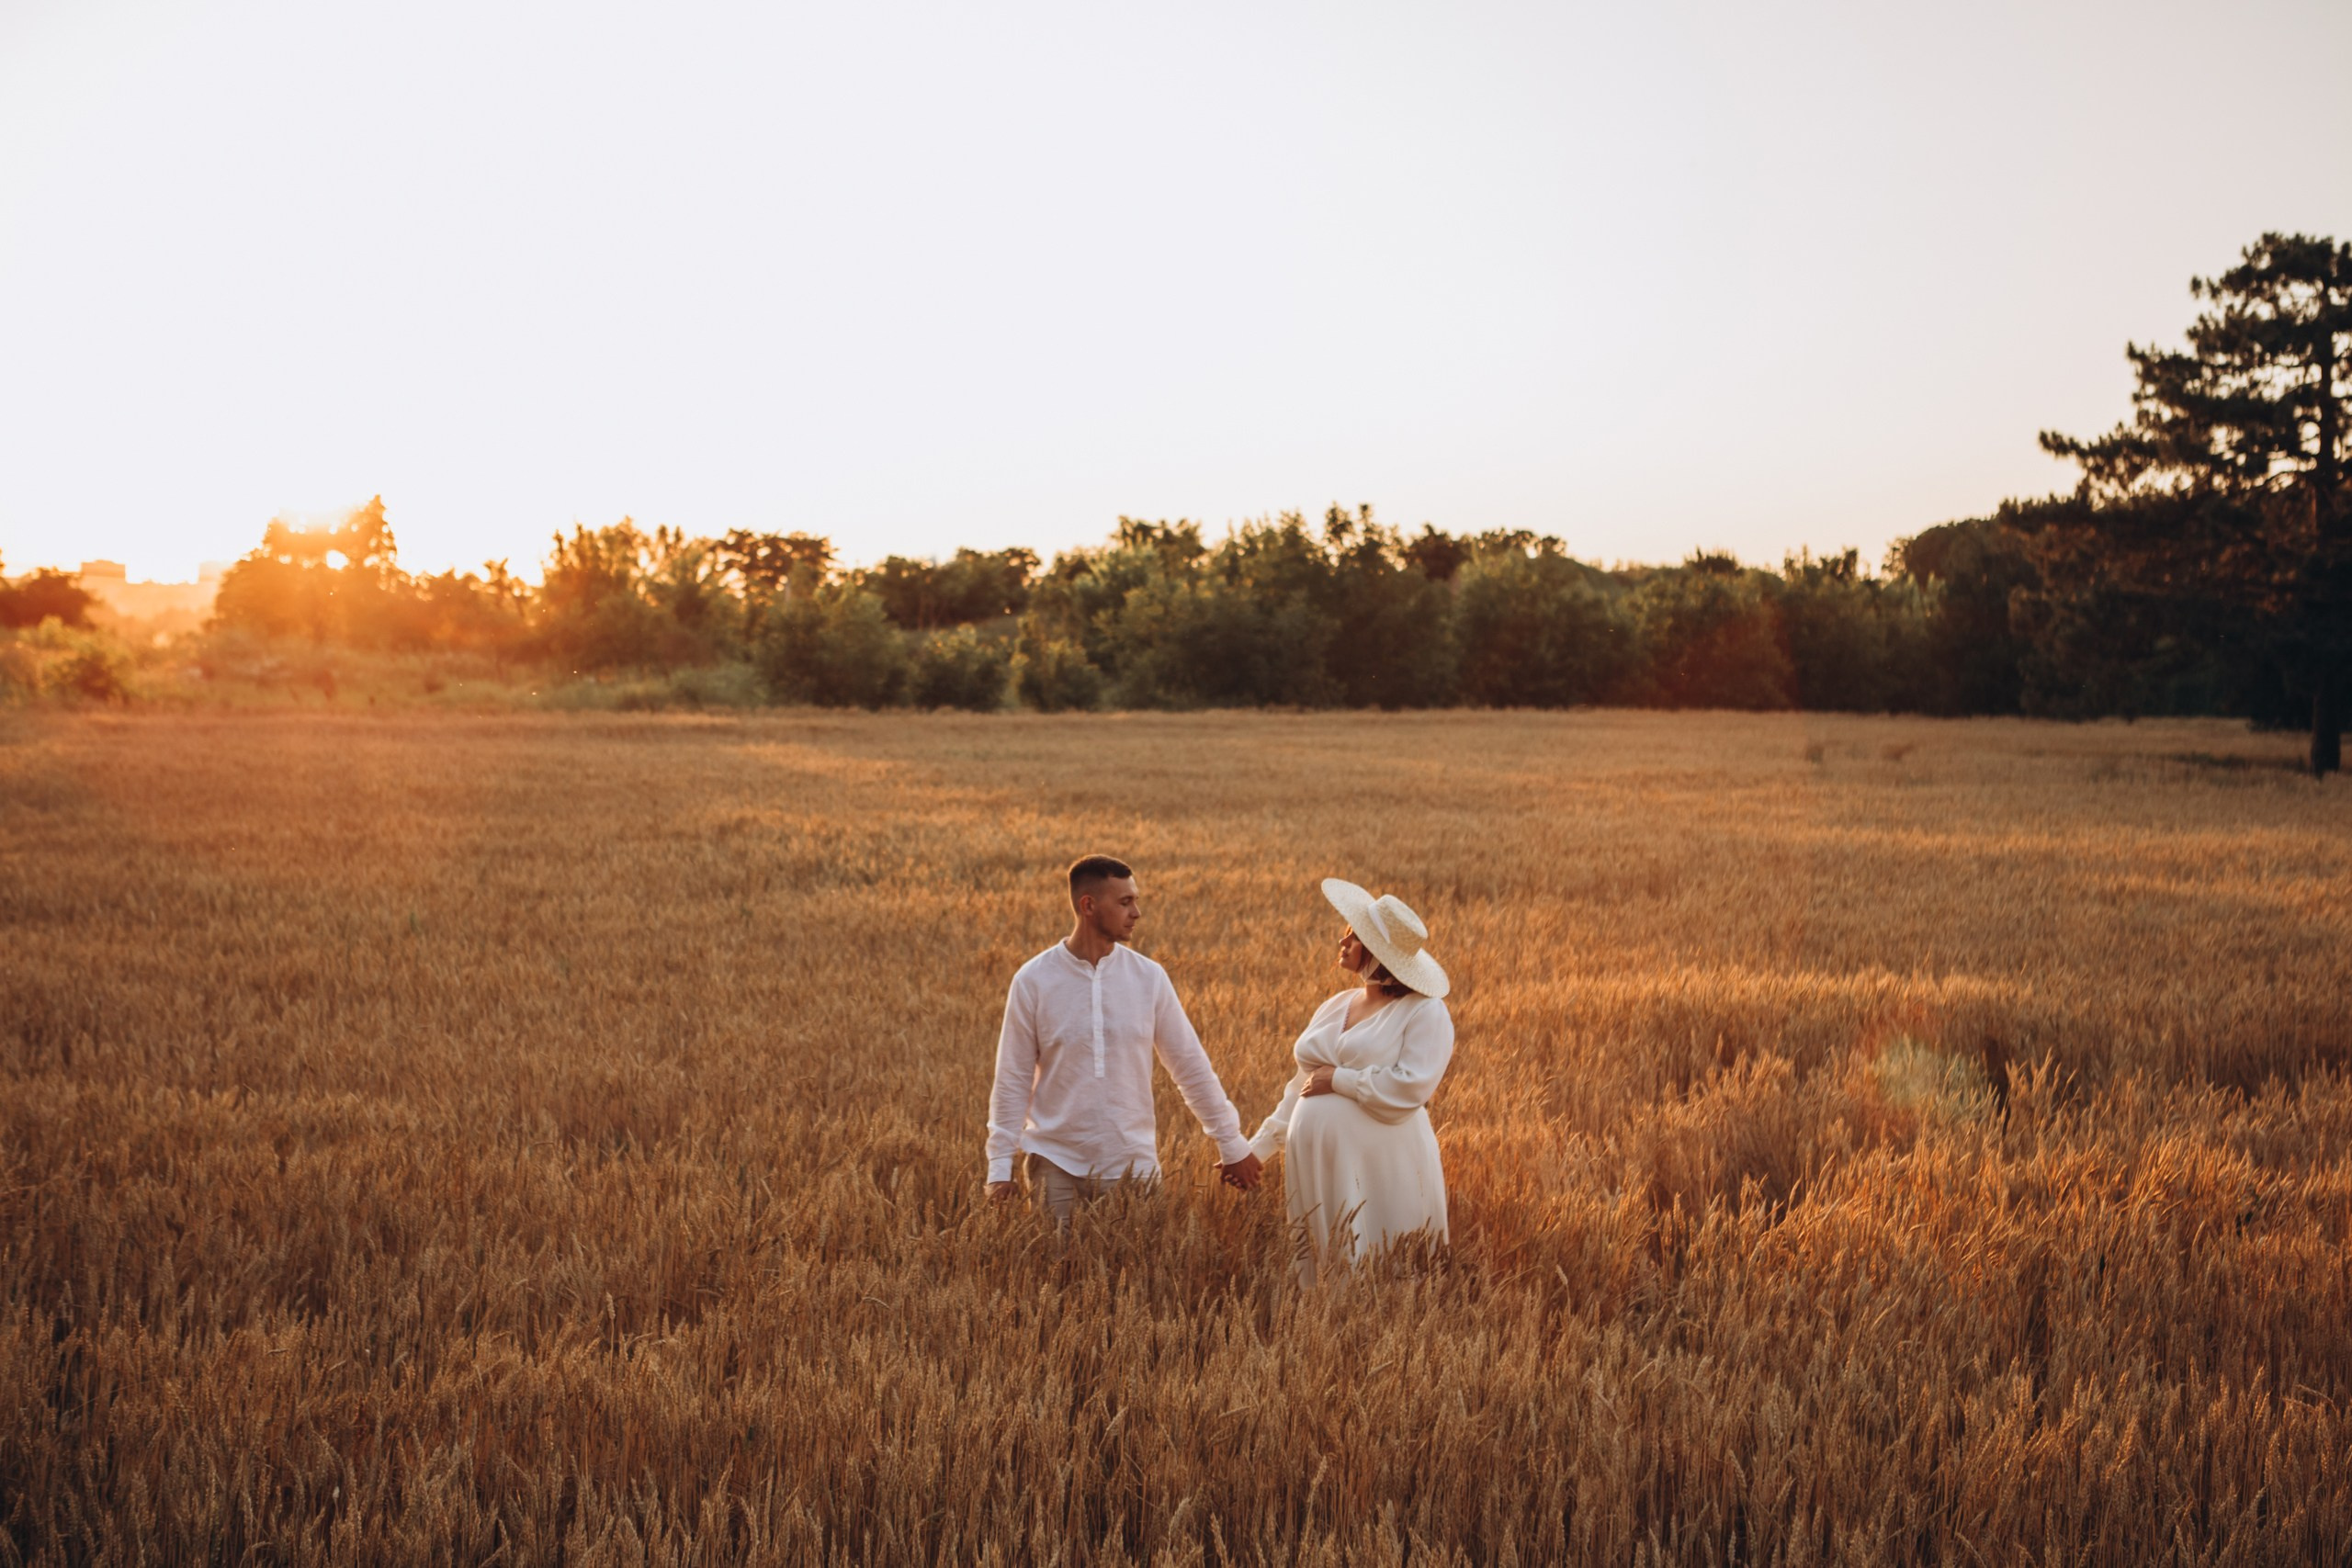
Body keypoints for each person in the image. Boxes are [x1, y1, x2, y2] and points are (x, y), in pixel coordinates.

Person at [986, 854, 1263, 1226]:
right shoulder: (1034, 980)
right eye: (1125, 902)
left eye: (1136, 900)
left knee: (1138, 1282)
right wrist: (999, 1167)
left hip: (1134, 1166)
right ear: (1088, 906)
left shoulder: (1148, 977)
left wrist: (1231, 1143)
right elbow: (1012, 1079)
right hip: (1054, 1165)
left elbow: (1190, 1065)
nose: (1137, 913)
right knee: (1055, 1278)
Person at [1248, 878, 1453, 1283]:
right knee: (1325, 1266)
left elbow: (1411, 1086)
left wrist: (1341, 1080)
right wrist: (1257, 1148)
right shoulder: (1335, 1005)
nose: (1342, 943)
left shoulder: (1424, 1011)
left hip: (1377, 1162)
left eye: (1353, 937)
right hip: (1318, 1163)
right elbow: (1301, 1087)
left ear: (1377, 953)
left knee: (1380, 1259)